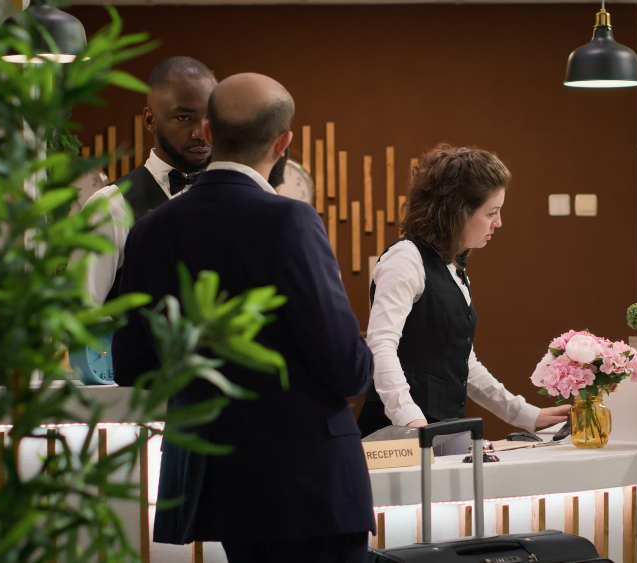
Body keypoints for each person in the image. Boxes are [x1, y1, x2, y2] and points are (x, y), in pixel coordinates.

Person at [112, 73, 374, 562]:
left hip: (219, 481)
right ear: (284, 142)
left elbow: (133, 366)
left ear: (208, 133)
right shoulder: (291, 220)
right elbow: (347, 367)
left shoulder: (150, 230)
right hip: (310, 480)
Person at [357, 144, 571, 437]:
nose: (498, 222)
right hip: (397, 433)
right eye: (491, 212)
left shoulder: (453, 267)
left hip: (444, 429)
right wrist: (410, 420)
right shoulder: (405, 259)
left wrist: (524, 414)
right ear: (457, 212)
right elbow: (380, 346)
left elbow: (463, 363)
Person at [80, 56, 216, 306]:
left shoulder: (231, 199)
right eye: (184, 118)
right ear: (150, 121)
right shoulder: (108, 208)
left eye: (209, 119)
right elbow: (83, 316)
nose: (200, 133)